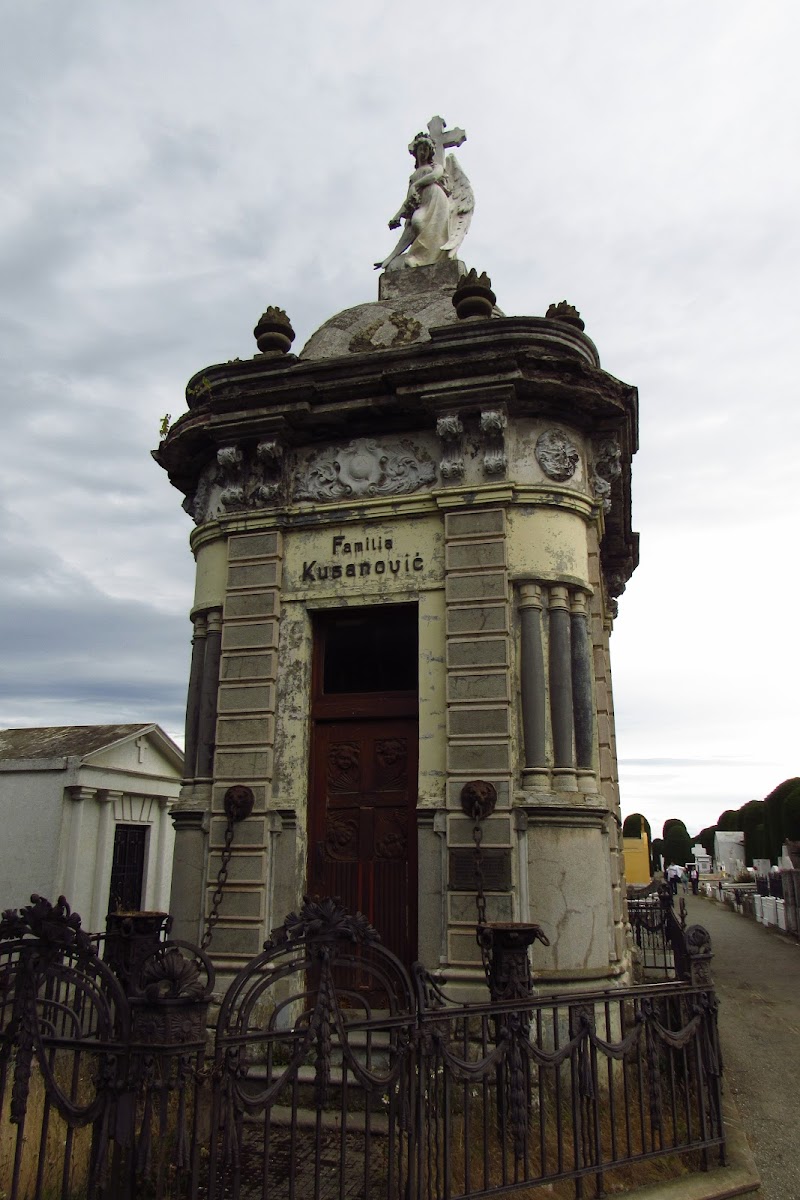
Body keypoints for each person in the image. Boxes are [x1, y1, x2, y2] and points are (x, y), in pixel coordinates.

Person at [376, 132, 453, 271]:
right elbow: (408, 202)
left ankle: (433, 257)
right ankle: (422, 258)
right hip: (422, 203)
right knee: (414, 222)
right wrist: (397, 216)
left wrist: (416, 185)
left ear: (430, 152)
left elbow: (435, 176)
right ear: (416, 152)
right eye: (420, 149)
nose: (423, 152)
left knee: (421, 222)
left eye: (426, 149)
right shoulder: (413, 177)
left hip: (436, 200)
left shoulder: (435, 167)